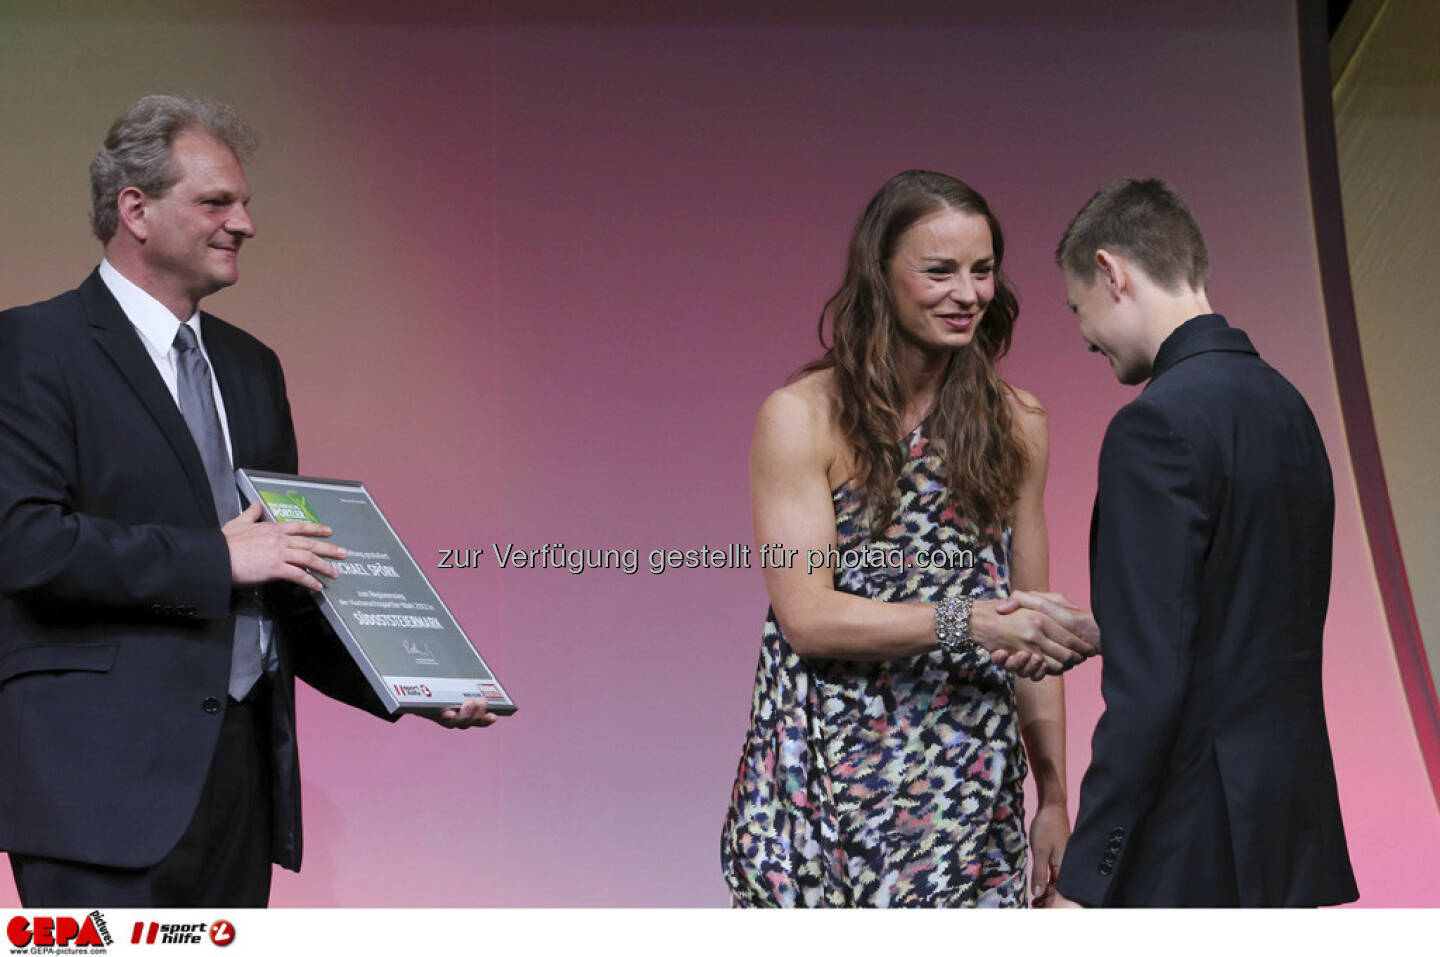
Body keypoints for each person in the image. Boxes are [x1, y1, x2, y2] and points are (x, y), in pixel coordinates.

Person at [0, 94, 494, 908]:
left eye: (246, 203)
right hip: (97, 789)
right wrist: (215, 557)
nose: (245, 224)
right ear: (136, 210)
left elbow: (286, 575)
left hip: (239, 780)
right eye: (216, 202)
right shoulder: (31, 347)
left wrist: (413, 684)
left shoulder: (251, 366)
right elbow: (24, 542)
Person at [721, 170, 1098, 907]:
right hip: (822, 780)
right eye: (940, 270)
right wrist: (971, 619)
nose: (968, 293)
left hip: (965, 784)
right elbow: (807, 615)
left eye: (982, 270)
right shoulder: (802, 417)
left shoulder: (1018, 422)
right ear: (880, 275)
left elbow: (1032, 629)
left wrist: (1053, 794)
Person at [1028, 177, 1358, 906]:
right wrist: (1119, 630)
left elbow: (1150, 692)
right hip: (1290, 834)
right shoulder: (1288, 405)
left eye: (1078, 307)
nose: (1083, 335)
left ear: (1113, 272)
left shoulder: (1154, 427)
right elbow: (1250, 621)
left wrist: (1084, 880)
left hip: (1191, 845)